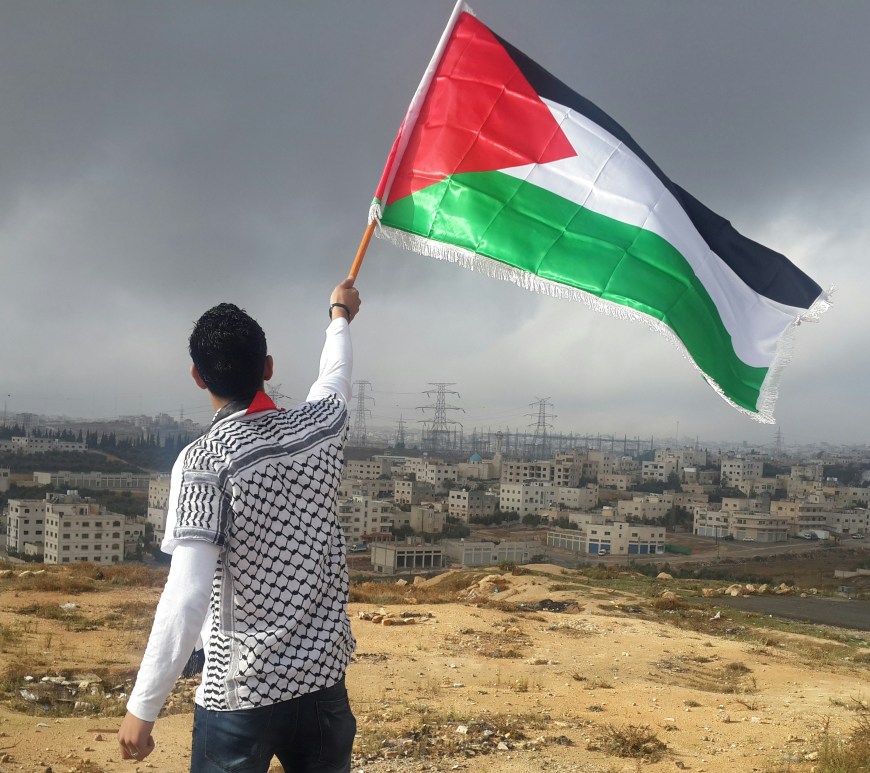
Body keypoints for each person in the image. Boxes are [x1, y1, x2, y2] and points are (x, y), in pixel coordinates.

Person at [118, 277, 361, 772]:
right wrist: (339, 316)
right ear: (268, 367)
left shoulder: (206, 460)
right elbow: (335, 376)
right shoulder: (319, 430)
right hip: (322, 684)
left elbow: (187, 594)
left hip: (239, 693)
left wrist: (143, 707)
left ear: (197, 376)